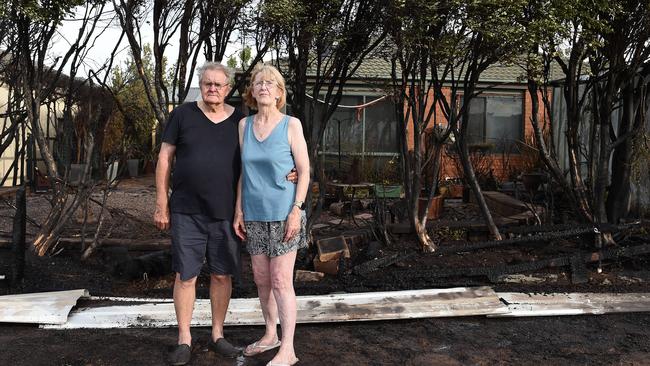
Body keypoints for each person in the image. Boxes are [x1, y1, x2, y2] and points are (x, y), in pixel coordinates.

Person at [154, 62, 250, 365]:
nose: (212, 89)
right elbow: (164, 158)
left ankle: (218, 335)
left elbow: (257, 161)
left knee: (222, 275)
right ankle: (184, 339)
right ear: (201, 84)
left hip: (225, 212)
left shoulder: (241, 120)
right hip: (186, 210)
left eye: (218, 85)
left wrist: (289, 172)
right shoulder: (182, 115)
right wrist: (161, 202)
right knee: (186, 275)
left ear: (228, 89)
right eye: (207, 83)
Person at [234, 64, 309, 366]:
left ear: (279, 92)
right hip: (253, 215)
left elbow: (303, 171)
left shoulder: (291, 125)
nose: (264, 86)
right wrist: (238, 209)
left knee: (280, 280)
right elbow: (244, 172)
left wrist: (296, 210)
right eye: (258, 83)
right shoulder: (244, 126)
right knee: (262, 279)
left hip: (283, 214)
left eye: (271, 83)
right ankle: (270, 335)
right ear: (251, 91)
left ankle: (287, 349)